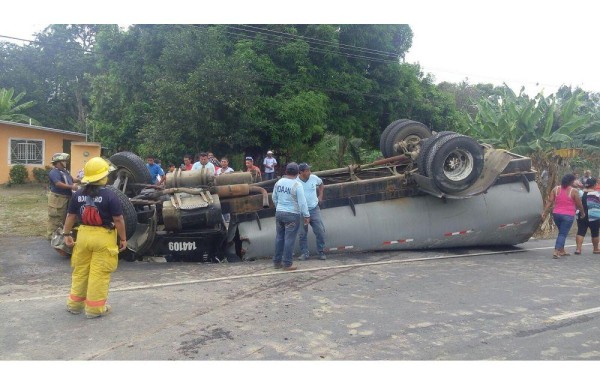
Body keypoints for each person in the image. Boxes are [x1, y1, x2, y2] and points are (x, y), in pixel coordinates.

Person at [61, 157, 127, 318]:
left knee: (80, 271)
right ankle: (94, 309)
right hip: (103, 238)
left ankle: (75, 305)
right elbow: (118, 219)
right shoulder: (110, 195)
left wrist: (66, 234)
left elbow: (70, 216)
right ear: (103, 177)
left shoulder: (78, 194)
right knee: (99, 273)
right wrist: (123, 239)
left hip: (83, 236)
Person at [272, 162, 310, 271]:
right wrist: (306, 215)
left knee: (279, 237)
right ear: (298, 173)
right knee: (289, 239)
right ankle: (287, 263)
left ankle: (277, 262)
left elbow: (274, 197)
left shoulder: (278, 183)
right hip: (292, 215)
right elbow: (302, 202)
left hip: (279, 213)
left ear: (286, 171)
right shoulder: (297, 185)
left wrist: (279, 207)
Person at [542, 174, 585, 259]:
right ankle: (556, 251)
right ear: (571, 181)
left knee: (562, 232)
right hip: (568, 215)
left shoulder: (556, 189)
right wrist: (582, 212)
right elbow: (579, 204)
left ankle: (562, 250)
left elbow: (550, 201)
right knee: (562, 233)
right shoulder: (574, 191)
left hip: (556, 214)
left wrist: (544, 211)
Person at [297, 162, 327, 261]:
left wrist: (320, 195)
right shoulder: (296, 182)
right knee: (302, 233)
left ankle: (321, 251)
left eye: (309, 170)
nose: (309, 172)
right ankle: (304, 253)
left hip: (314, 209)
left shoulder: (314, 178)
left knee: (320, 231)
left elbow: (321, 184)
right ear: (301, 172)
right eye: (307, 170)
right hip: (301, 211)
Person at [47, 153, 80, 240]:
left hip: (67, 197)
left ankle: (61, 236)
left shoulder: (64, 171)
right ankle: (52, 237)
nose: (66, 162)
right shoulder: (54, 172)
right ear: (58, 162)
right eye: (64, 161)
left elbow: (71, 179)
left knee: (66, 217)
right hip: (58, 198)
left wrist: (81, 180)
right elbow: (58, 183)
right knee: (56, 219)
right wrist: (71, 187)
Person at [574, 178, 600, 255]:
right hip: (594, 215)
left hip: (581, 214)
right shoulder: (597, 194)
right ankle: (595, 249)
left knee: (581, 231)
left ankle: (578, 249)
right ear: (595, 185)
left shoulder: (580, 193)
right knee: (595, 232)